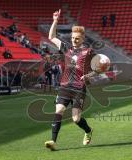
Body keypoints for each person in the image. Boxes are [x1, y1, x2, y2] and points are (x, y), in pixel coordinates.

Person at [45, 9, 96, 151]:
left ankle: (88, 131)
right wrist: (55, 20)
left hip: (79, 88)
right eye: (73, 37)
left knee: (76, 119)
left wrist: (88, 76)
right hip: (65, 86)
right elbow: (51, 36)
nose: (74, 40)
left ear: (83, 39)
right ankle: (53, 141)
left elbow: (97, 69)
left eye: (77, 38)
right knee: (59, 110)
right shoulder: (66, 48)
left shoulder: (89, 52)